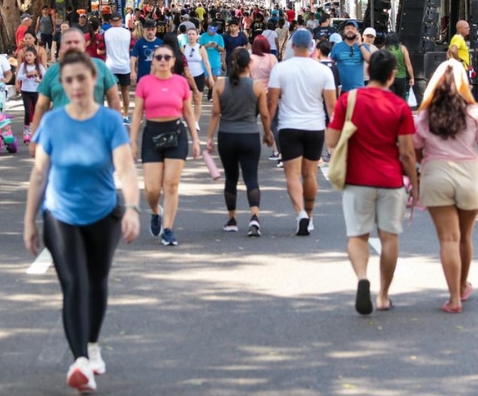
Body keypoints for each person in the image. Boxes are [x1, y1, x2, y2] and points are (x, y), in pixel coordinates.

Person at [24, 51, 140, 394]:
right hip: (60, 214)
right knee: (74, 284)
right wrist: (29, 220)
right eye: (69, 80)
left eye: (82, 79)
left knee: (97, 280)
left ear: (95, 80)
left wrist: (132, 207)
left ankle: (91, 344)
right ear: (63, 84)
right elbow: (39, 172)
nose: (76, 85)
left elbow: (126, 169)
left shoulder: (108, 121)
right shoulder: (53, 123)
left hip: (104, 213)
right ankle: (80, 362)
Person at [326, 50, 419, 315]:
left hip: (357, 180)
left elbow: (331, 142)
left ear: (368, 72)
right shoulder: (399, 106)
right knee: (389, 238)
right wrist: (415, 183)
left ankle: (362, 278)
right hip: (391, 181)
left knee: (357, 236)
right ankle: (383, 295)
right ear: (392, 76)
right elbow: (407, 152)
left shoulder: (349, 100)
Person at [413, 60, 478, 313]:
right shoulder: (473, 112)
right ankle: (461, 285)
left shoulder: (425, 114)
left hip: (436, 175)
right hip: (469, 175)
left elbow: (415, 150)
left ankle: (454, 299)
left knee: (448, 239)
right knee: (465, 237)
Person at [129, 42, 201, 246]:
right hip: (152, 133)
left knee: (171, 185)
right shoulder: (145, 83)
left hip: (175, 134)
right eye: (158, 57)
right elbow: (137, 115)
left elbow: (188, 112)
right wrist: (132, 141)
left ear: (173, 61)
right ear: (153, 61)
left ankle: (168, 229)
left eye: (166, 57)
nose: (162, 60)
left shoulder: (180, 83)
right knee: (151, 189)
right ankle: (155, 211)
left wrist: (195, 139)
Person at [267, 30, 336, 235]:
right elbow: (332, 107)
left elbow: (272, 102)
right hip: (315, 127)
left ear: (292, 46)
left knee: (292, 175)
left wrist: (267, 128)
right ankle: (310, 214)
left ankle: (300, 214)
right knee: (310, 174)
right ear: (312, 47)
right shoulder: (324, 71)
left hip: (289, 127)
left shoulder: (280, 69)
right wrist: (336, 134)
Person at [206, 49, 273, 236]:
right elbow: (265, 114)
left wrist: (209, 137)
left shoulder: (220, 85)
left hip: (227, 136)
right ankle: (254, 216)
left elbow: (215, 113)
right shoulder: (257, 86)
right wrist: (268, 134)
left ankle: (232, 219)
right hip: (250, 135)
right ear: (249, 65)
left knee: (231, 178)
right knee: (251, 177)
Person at [30, 29, 120, 156]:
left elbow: (114, 99)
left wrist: (117, 133)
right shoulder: (53, 72)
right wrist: (35, 139)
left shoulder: (99, 67)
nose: (73, 45)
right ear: (62, 47)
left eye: (76, 42)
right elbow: (41, 106)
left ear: (84, 46)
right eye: (68, 42)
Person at [181, 28, 213, 129]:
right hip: (187, 77)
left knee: (198, 99)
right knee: (188, 101)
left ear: (197, 36)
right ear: (187, 36)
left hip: (199, 76)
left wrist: (210, 76)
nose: (191, 36)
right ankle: (189, 120)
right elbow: (179, 62)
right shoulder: (183, 47)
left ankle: (196, 121)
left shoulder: (201, 47)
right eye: (189, 34)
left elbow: (206, 62)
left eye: (193, 34)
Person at [103, 14, 132, 123]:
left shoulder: (106, 33)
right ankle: (125, 115)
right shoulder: (127, 33)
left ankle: (113, 116)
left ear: (110, 22)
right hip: (124, 66)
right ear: (121, 21)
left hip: (110, 66)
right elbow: (132, 46)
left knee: (112, 93)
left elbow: (101, 49)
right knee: (125, 91)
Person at [330, 20, 372, 93]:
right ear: (344, 31)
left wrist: (359, 43)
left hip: (359, 89)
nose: (350, 30)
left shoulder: (363, 46)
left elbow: (369, 60)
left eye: (353, 28)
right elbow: (331, 66)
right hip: (342, 90)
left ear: (357, 31)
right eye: (347, 28)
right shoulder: (337, 47)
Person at [16, 46, 46, 143]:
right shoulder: (23, 66)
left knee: (38, 112)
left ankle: (39, 130)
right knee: (28, 111)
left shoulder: (39, 66)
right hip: (26, 91)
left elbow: (46, 79)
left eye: (30, 55)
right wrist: (27, 75)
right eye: (26, 55)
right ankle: (27, 129)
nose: (28, 57)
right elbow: (18, 77)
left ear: (35, 56)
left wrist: (39, 80)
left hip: (36, 91)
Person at [383, 32, 414, 100]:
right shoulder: (403, 48)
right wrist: (412, 78)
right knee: (399, 99)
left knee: (388, 99)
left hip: (388, 78)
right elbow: (408, 65)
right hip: (401, 77)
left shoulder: (383, 49)